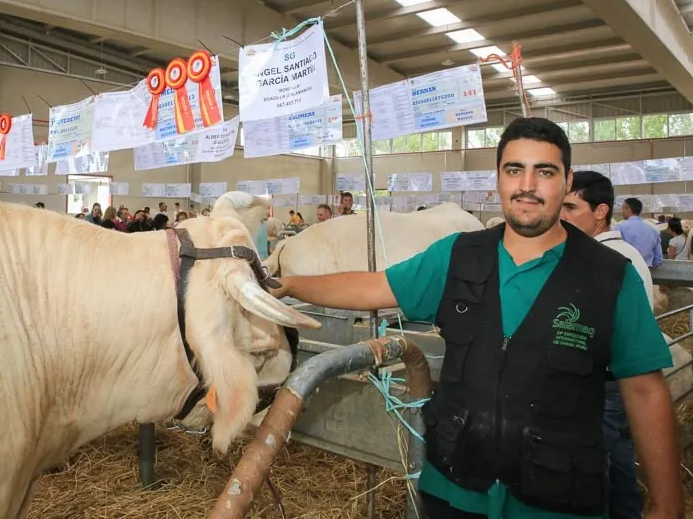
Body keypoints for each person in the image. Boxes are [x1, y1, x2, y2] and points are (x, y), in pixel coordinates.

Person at [269, 117, 682, 519]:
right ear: (499, 178)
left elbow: (645, 391)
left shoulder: (610, 276)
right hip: (454, 491)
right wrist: (291, 285)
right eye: (515, 169)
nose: (527, 185)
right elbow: (372, 287)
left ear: (567, 181)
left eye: (545, 171)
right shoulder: (456, 255)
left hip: (559, 501)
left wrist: (667, 505)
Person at [559, 169, 659, 519]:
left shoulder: (609, 261)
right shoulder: (620, 254)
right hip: (613, 381)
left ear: (600, 212)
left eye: (571, 207)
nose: (562, 216)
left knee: (598, 469)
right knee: (615, 462)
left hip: (605, 381)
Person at [618, 197, 663, 267]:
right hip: (647, 272)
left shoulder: (619, 227)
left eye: (623, 209)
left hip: (627, 270)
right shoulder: (653, 230)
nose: (622, 211)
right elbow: (658, 259)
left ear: (628, 209)